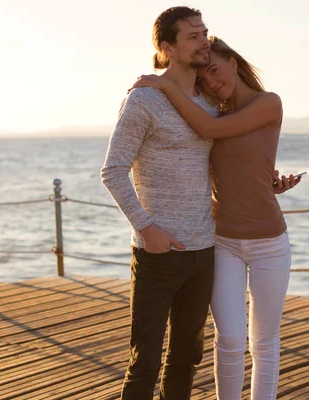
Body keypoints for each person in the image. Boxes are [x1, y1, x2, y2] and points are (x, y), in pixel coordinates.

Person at [130, 36, 301, 399]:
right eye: (203, 79)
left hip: (269, 242)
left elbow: (215, 133)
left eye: (214, 70)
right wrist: (265, 180)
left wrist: (162, 83)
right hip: (222, 242)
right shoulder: (209, 111)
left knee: (264, 341)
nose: (211, 82)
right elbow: (200, 164)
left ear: (233, 64)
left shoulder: (268, 103)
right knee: (230, 338)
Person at [101, 6, 217, 400]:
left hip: (204, 250)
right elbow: (113, 171)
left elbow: (216, 166)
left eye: (205, 33)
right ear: (167, 48)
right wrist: (146, 229)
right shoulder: (144, 100)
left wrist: (265, 182)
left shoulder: (210, 101)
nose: (204, 41)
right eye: (193, 36)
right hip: (157, 253)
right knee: (145, 362)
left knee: (186, 359)